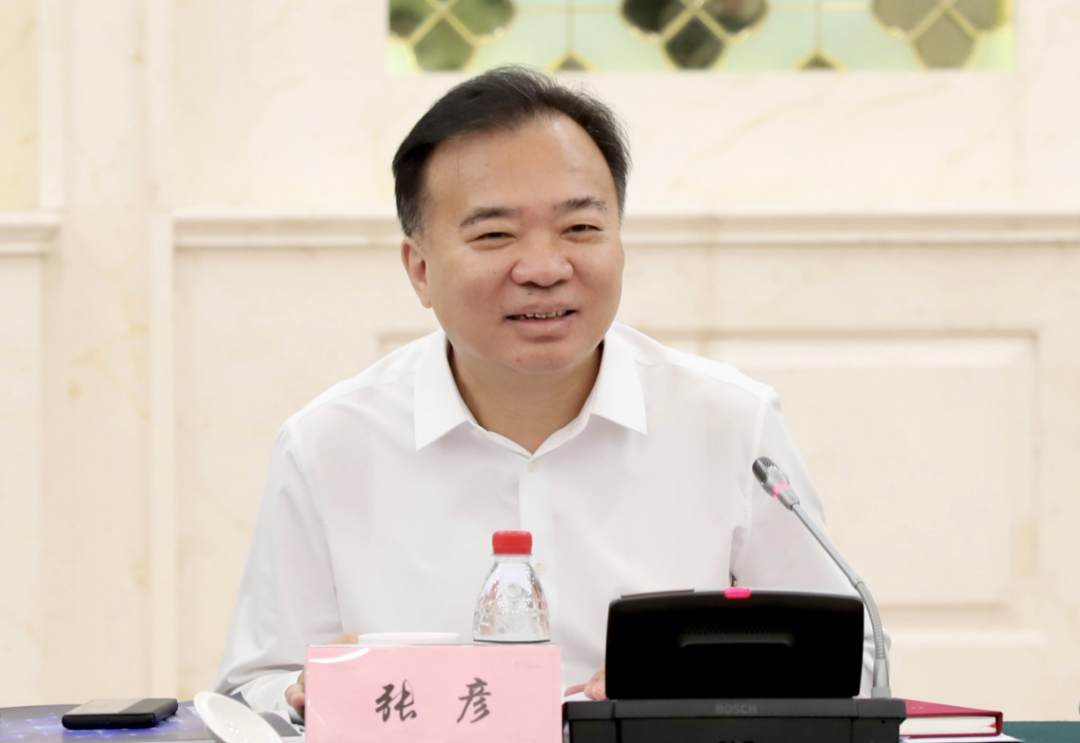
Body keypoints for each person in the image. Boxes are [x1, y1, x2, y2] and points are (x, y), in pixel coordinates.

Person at [214, 65, 881, 717]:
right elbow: (255, 686)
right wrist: (304, 695)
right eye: (495, 234)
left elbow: (854, 660)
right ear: (420, 269)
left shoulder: (731, 421)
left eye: (580, 228)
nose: (543, 268)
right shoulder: (329, 442)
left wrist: (699, 688)